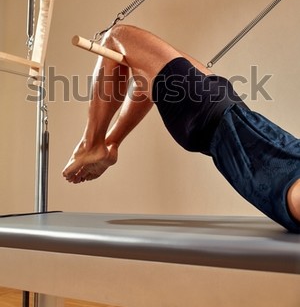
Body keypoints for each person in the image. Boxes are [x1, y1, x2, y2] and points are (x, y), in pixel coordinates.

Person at [62, 24, 300, 233]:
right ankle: (110, 143)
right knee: (143, 72)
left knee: (117, 37)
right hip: (230, 110)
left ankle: (91, 144)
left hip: (208, 114)